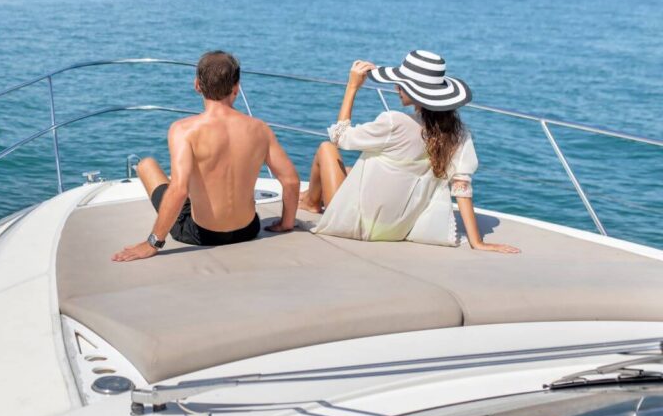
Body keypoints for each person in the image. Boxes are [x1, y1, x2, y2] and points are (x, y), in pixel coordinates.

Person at [300, 51, 519, 252]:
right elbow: (462, 187)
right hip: (397, 228)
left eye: (402, 85)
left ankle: (310, 202)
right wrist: (477, 242)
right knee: (349, 169)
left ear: (418, 93)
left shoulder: (395, 122)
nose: (396, 88)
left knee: (326, 149)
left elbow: (340, 137)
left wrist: (352, 87)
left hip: (357, 225)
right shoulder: (457, 134)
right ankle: (308, 196)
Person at [112, 50, 301, 262]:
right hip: (248, 229)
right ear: (236, 87)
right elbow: (291, 181)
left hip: (201, 234)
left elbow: (179, 190)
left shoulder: (183, 130)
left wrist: (152, 243)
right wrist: (286, 223)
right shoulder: (260, 129)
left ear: (197, 85)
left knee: (147, 165)